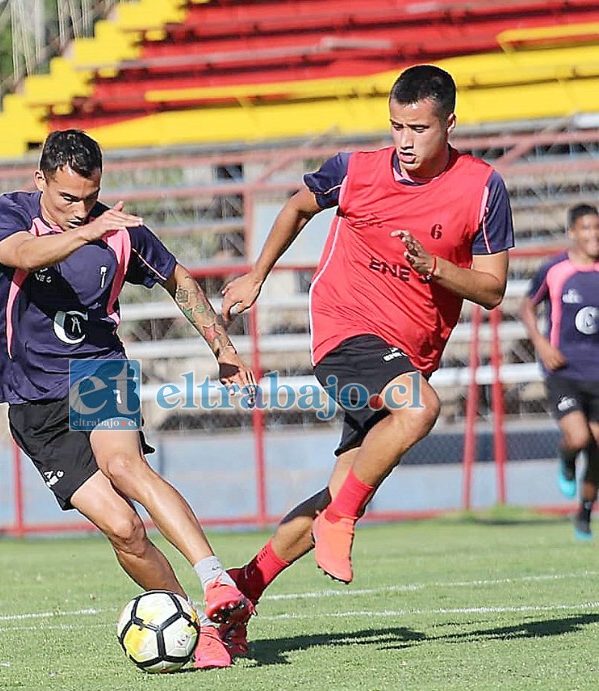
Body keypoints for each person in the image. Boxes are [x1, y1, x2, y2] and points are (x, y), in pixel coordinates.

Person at [220, 64, 514, 654]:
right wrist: (257, 274)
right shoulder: (355, 170)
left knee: (343, 486)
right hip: (344, 332)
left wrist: (435, 268)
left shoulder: (483, 188)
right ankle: (342, 520)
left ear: (449, 124)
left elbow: (492, 288)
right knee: (419, 410)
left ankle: (240, 592)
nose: (404, 141)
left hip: (409, 354)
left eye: (419, 129)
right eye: (396, 127)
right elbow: (298, 208)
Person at [0, 129, 256, 668]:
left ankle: (217, 583)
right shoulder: (5, 217)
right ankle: (196, 627)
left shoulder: (120, 231)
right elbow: (25, 254)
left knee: (124, 466)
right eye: (67, 199)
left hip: (96, 369)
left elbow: (178, 279)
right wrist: (89, 232)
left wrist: (223, 347)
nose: (81, 210)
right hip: (34, 402)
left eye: (90, 196)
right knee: (125, 529)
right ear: (40, 182)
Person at [519, 203, 599, 541]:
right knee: (579, 438)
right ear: (572, 232)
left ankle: (583, 513)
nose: (593, 235)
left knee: (597, 448)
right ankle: (566, 459)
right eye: (586, 228)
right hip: (563, 370)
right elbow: (527, 305)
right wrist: (541, 344)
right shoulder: (555, 270)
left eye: (597, 228)